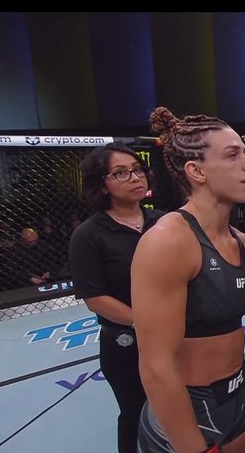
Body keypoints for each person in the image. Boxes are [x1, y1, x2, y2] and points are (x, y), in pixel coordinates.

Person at [131, 107, 245, 453]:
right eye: (232, 155)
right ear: (196, 171)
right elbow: (156, 367)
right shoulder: (168, 242)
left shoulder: (244, 245)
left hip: (239, 399)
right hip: (187, 412)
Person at [69, 143, 166, 453]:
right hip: (128, 343)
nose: (135, 177)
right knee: (137, 413)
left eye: (137, 169)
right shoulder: (88, 235)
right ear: (101, 184)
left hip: (180, 335)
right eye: (121, 173)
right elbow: (95, 297)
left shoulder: (166, 222)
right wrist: (146, 324)